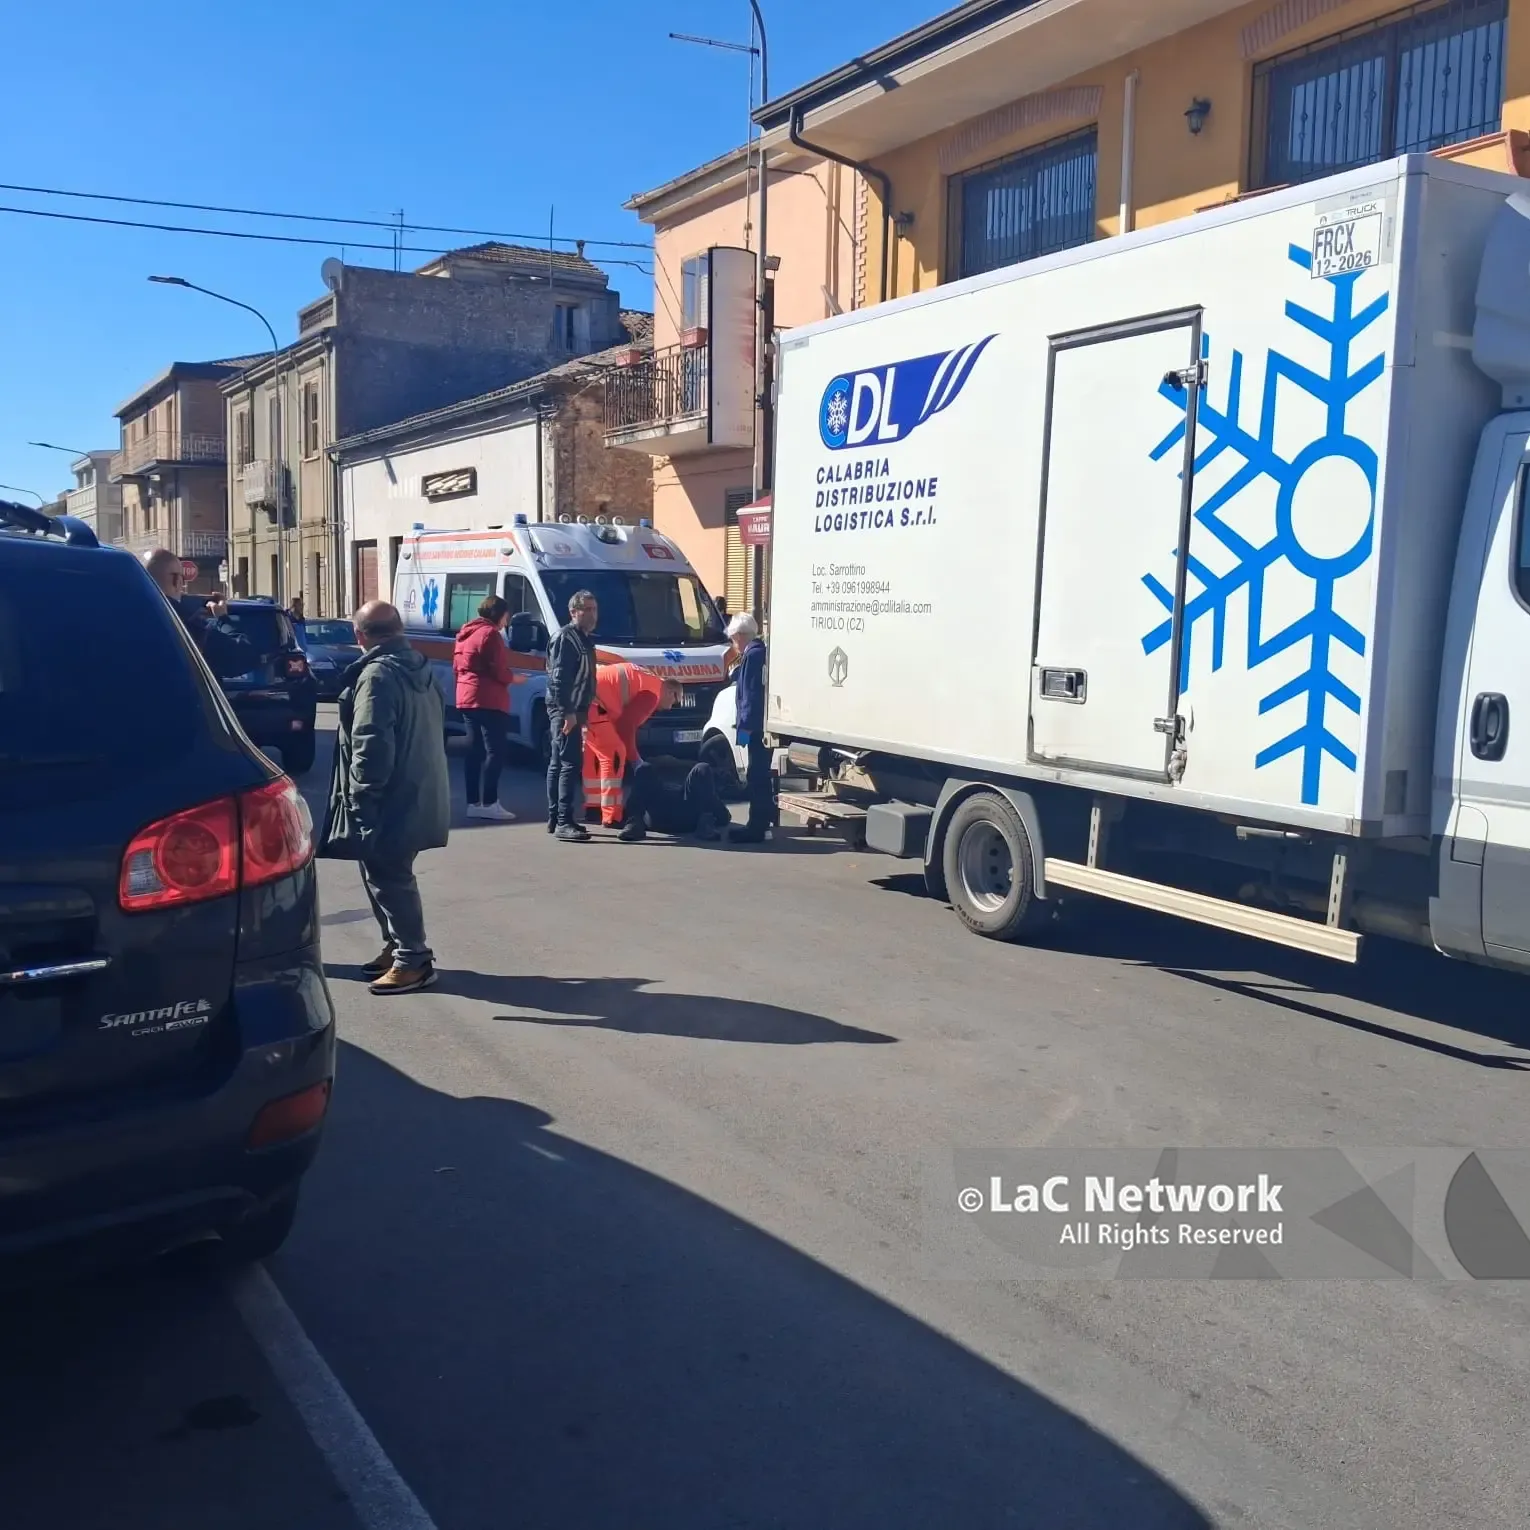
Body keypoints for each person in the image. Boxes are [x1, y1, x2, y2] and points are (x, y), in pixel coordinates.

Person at [318, 600, 451, 996]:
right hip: (416, 790)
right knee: (381, 871)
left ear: (360, 636)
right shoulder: (417, 666)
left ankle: (413, 959)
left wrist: (362, 797)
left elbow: (372, 744)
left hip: (389, 797)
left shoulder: (377, 675)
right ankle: (397, 947)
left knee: (389, 875)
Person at [582, 665, 683, 840]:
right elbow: (626, 727)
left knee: (595, 755)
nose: (669, 708)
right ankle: (611, 816)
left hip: (584, 700)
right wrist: (635, 760)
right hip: (595, 704)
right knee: (614, 753)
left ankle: (593, 808)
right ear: (670, 691)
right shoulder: (652, 694)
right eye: (674, 702)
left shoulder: (647, 681)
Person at [142, 548, 255, 680]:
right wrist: (223, 619)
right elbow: (244, 658)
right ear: (176, 581)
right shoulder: (189, 628)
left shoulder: (125, 620)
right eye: (182, 579)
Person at [453, 594, 517, 822]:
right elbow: (498, 669)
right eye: (506, 615)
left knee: (475, 751)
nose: (507, 620)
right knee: (495, 751)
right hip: (489, 699)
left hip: (467, 697)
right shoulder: (491, 634)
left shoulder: (465, 633)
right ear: (499, 614)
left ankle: (474, 803)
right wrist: (514, 679)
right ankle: (490, 802)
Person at [545, 588, 598, 843]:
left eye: (594, 609)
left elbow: (585, 678)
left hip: (574, 710)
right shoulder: (567, 639)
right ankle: (563, 821)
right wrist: (568, 712)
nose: (592, 615)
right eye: (586, 610)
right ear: (573, 612)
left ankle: (557, 817)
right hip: (565, 711)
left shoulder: (584, 639)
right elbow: (558, 680)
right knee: (568, 764)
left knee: (559, 763)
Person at [727, 612, 774, 843]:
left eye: (732, 639)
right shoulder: (760, 653)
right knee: (761, 776)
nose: (733, 644)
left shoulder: (752, 656)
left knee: (756, 776)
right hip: (761, 726)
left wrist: (743, 732)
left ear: (738, 636)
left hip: (755, 727)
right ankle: (763, 823)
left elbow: (750, 698)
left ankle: (757, 826)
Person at [625, 760, 726, 842]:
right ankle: (635, 823)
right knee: (703, 767)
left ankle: (634, 823)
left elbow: (723, 816)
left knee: (644, 768)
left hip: (680, 812)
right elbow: (723, 815)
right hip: (674, 812)